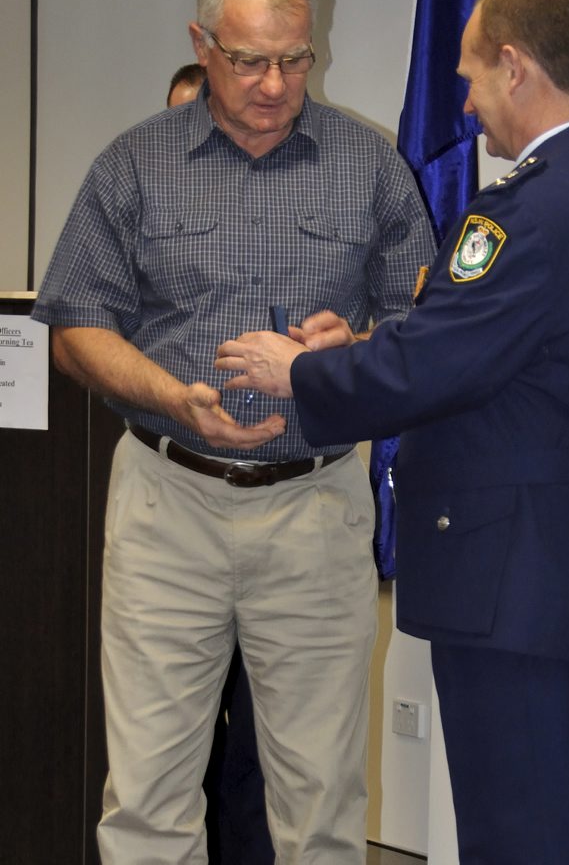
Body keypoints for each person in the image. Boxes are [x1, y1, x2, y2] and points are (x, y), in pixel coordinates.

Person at [215, 0, 569, 865]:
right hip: (557, 574)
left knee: (519, 844)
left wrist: (303, 369)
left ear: (514, 66)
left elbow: (433, 363)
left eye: (468, 76)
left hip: (517, 587)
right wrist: (358, 338)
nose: (464, 103)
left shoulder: (533, 210)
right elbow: (500, 355)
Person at [32, 0, 436, 865]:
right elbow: (75, 326)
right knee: (146, 797)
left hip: (315, 504)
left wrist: (353, 353)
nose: (274, 83)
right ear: (201, 43)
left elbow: (427, 331)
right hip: (167, 503)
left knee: (322, 799)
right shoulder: (132, 166)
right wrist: (175, 395)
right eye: (250, 59)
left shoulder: (367, 165)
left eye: (295, 59)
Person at [165, 62, 273, 864]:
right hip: (175, 505)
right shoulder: (139, 189)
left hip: (284, 511)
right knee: (167, 758)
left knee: (263, 759)